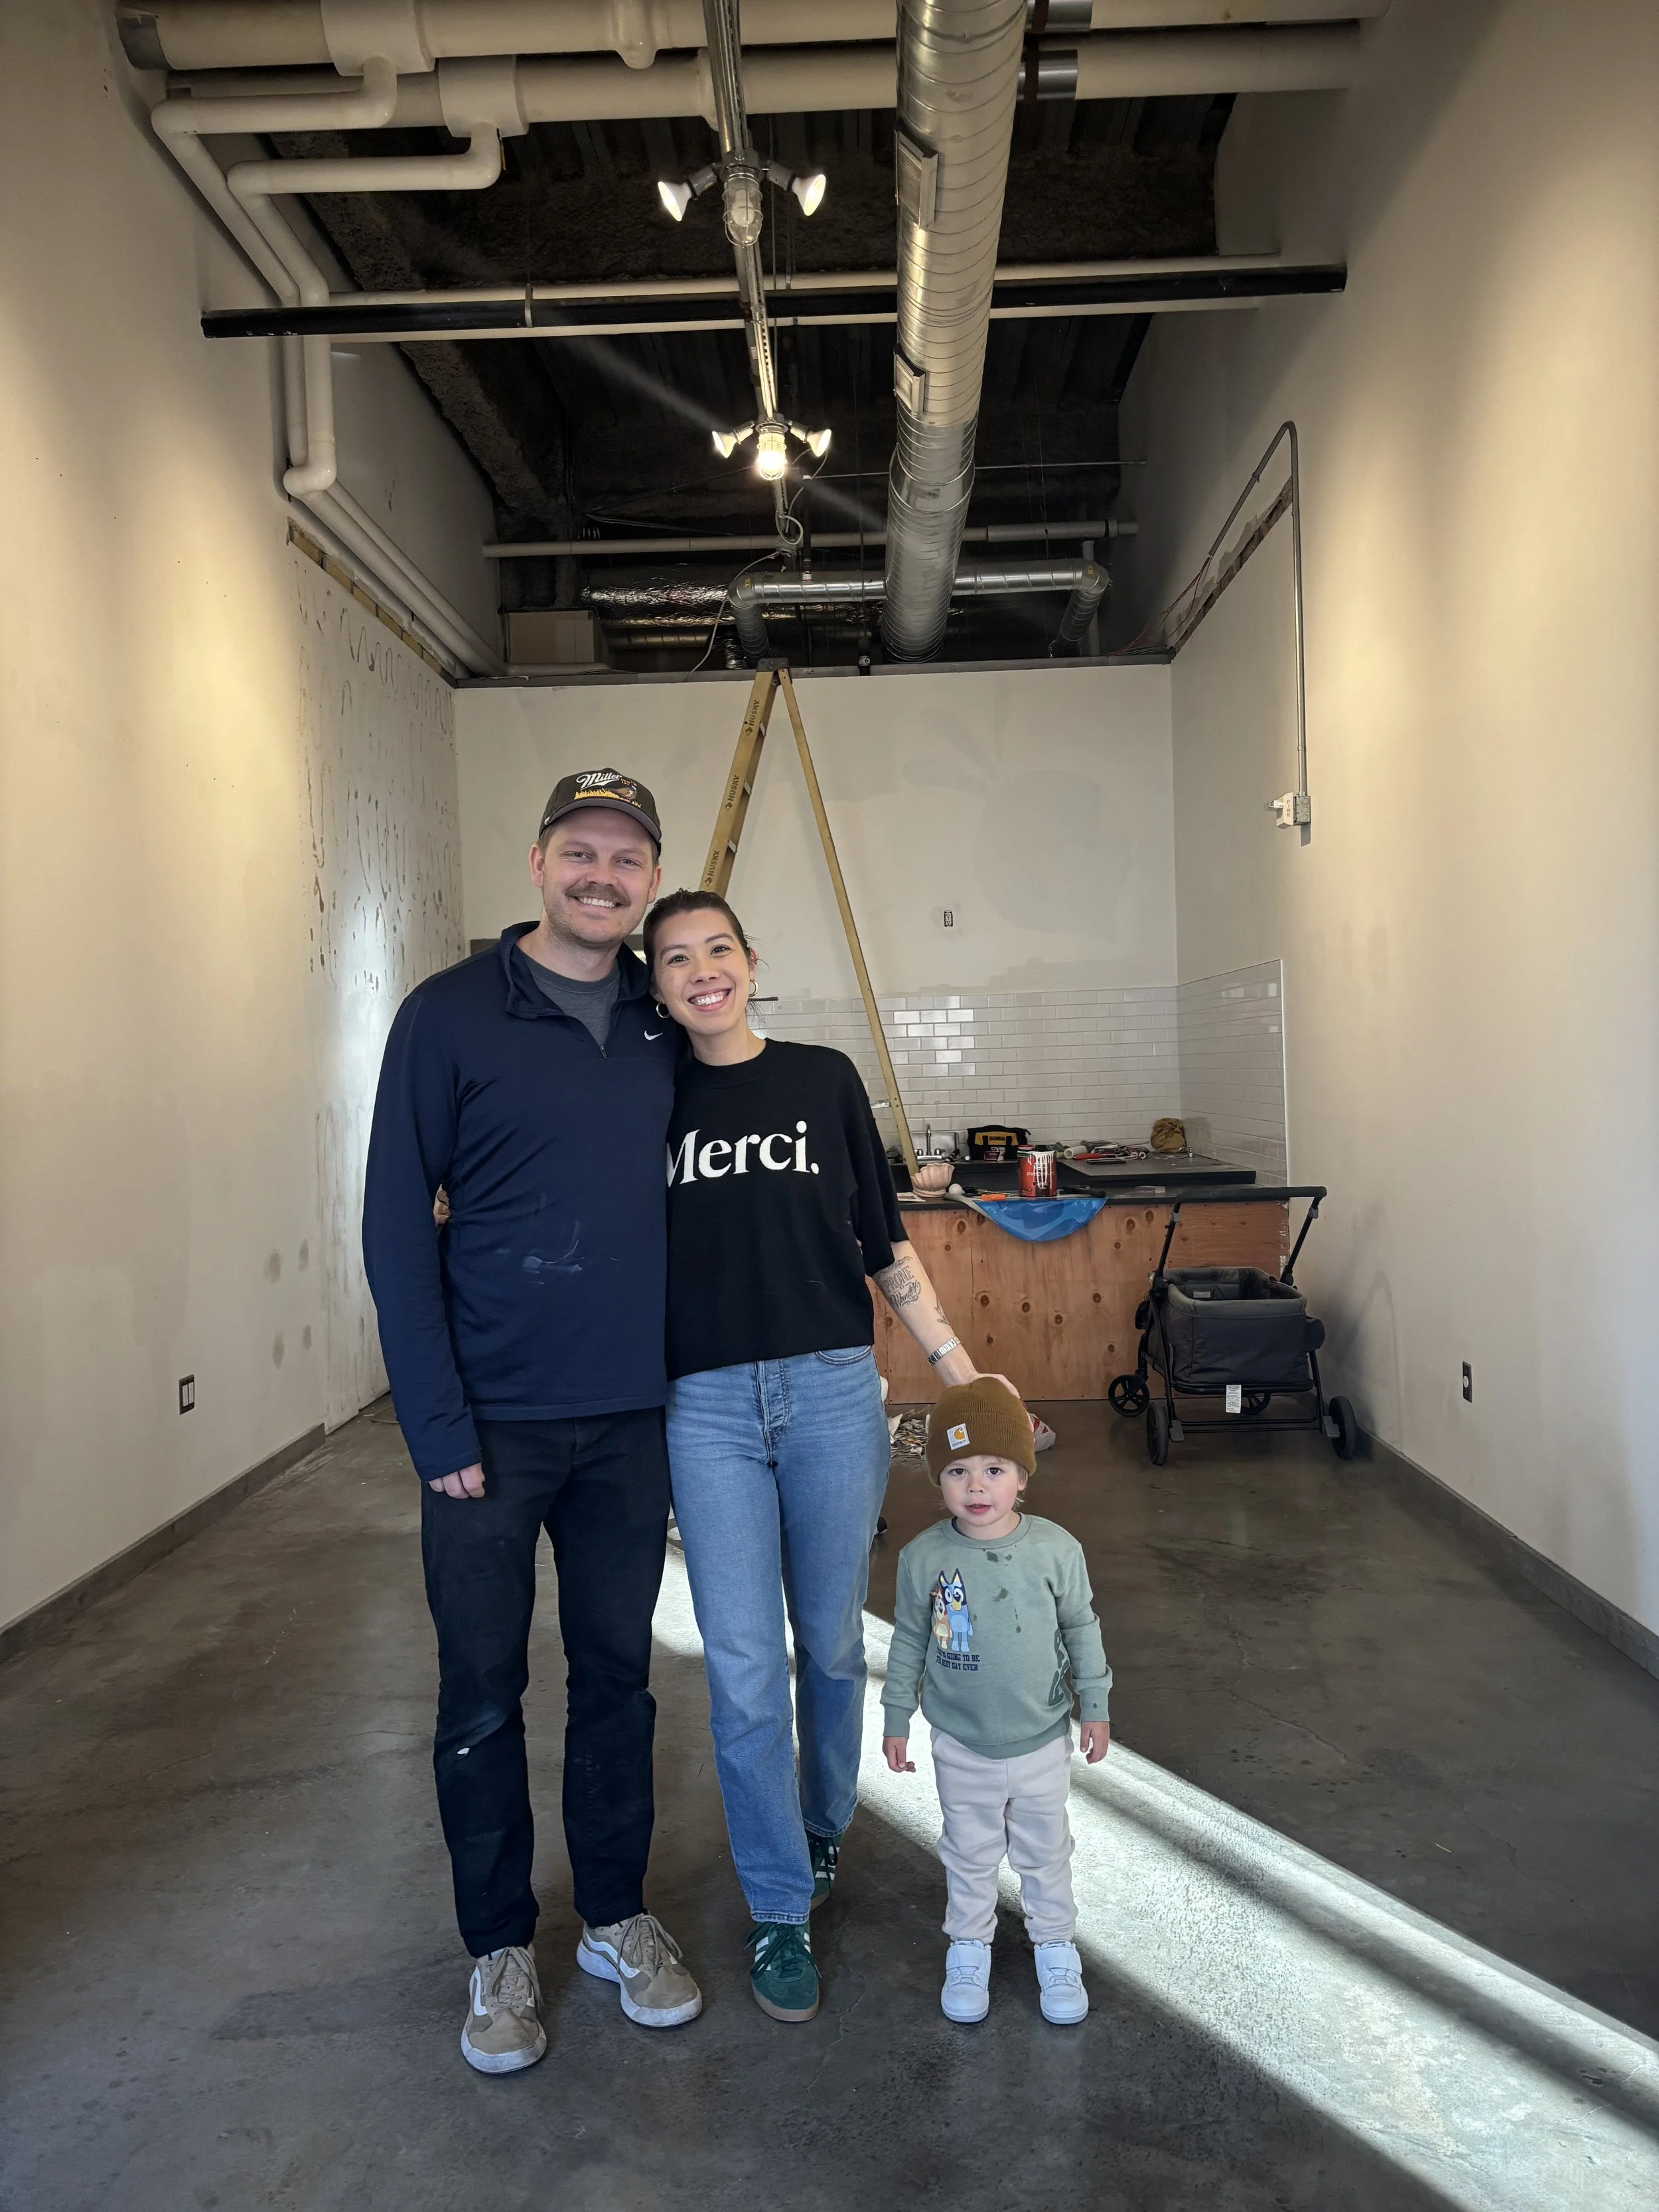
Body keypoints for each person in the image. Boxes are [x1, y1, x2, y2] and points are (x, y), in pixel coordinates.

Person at [363, 769, 702, 2077]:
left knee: (618, 1683)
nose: (600, 875)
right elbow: (397, 1225)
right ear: (537, 859)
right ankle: (500, 1946)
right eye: (579, 851)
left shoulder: (664, 1015)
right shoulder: (449, 1016)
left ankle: (613, 1913)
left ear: (647, 875)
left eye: (625, 857)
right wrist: (433, 1420)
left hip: (632, 1423)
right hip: (489, 1431)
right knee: (479, 1695)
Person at [644, 887, 1019, 2026]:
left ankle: (818, 1831)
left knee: (834, 1649)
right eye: (674, 959)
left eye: (718, 948)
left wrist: (958, 1368)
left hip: (828, 1394)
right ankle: (775, 1905)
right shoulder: (643, 1098)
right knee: (748, 1668)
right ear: (654, 985)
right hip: (701, 1404)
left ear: (751, 962)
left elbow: (882, 1242)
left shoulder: (821, 1081)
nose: (701, 969)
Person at [881, 1377, 1112, 2026]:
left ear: (1022, 1477)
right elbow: (907, 1641)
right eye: (957, 1470)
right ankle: (968, 1943)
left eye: (993, 1469)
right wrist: (896, 1713)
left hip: (1040, 1738)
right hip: (961, 1742)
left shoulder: (1054, 1551)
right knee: (969, 1850)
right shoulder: (924, 1559)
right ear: (937, 1479)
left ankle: (1055, 1943)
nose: (975, 1487)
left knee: (1045, 1851)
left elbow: (1081, 1629)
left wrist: (1093, 1702)